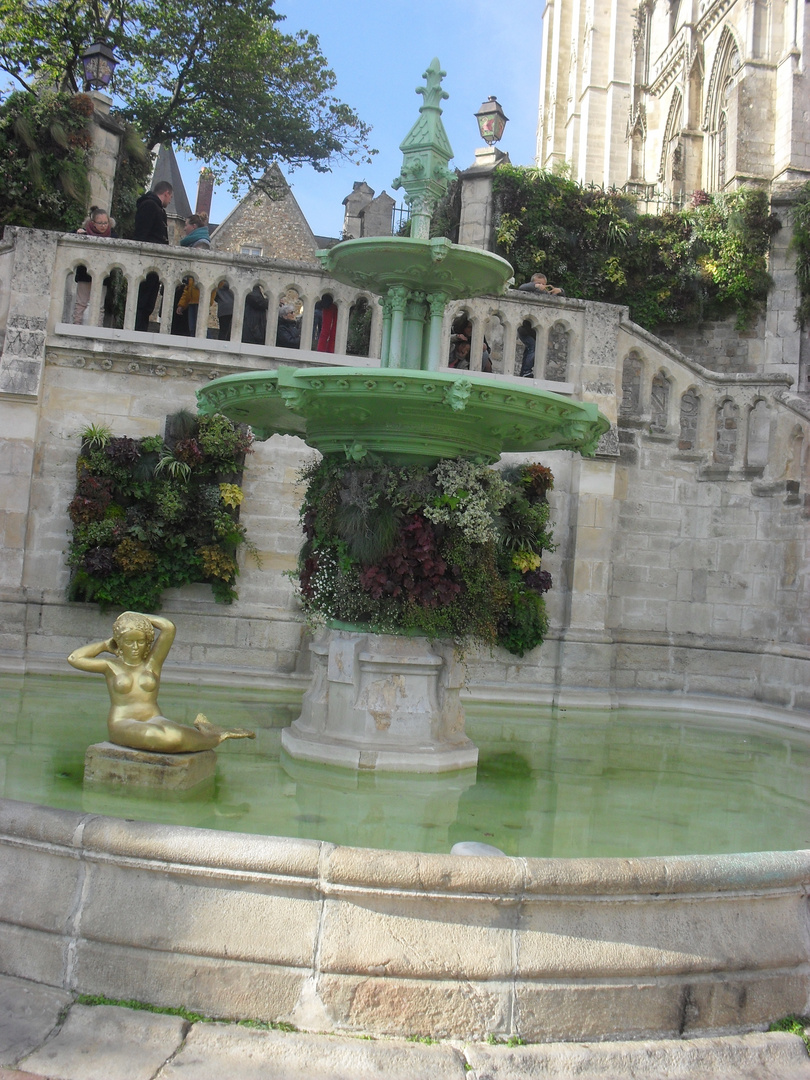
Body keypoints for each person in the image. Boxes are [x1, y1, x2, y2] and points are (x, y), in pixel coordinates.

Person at [67, 612, 255, 753]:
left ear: (147, 643)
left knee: (174, 732)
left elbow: (168, 627)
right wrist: (104, 645)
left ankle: (210, 733)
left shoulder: (152, 664)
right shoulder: (110, 665)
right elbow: (74, 658)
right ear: (120, 642)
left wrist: (134, 616)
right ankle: (216, 736)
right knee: (169, 737)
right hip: (122, 722)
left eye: (140, 642)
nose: (135, 647)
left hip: (154, 717)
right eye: (129, 642)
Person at [133, 181, 173, 332]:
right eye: (170, 197)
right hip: (147, 263)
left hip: (154, 265)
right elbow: (141, 235)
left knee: (147, 304)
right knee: (142, 303)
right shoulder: (150, 205)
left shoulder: (157, 208)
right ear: (166, 193)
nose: (170, 201)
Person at [72, 207, 117, 325]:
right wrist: (79, 233)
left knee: (99, 305)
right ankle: (76, 326)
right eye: (100, 223)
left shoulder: (112, 235)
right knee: (81, 303)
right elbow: (71, 236)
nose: (103, 226)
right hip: (85, 273)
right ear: (93, 223)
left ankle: (97, 328)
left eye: (105, 223)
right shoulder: (84, 232)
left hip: (103, 275)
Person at [175, 215, 210, 335]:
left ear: (194, 226)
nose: (184, 228)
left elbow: (197, 272)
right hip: (192, 296)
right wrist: (182, 304)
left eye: (186, 225)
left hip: (198, 296)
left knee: (198, 329)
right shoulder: (193, 242)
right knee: (193, 329)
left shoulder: (201, 243)